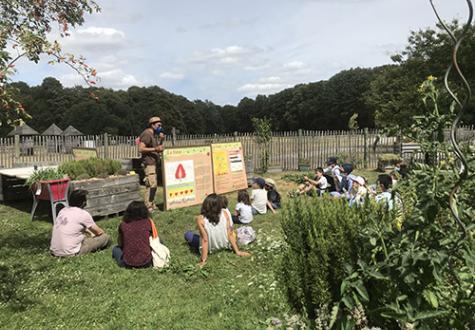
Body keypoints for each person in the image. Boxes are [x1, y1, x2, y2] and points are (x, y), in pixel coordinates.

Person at [184, 194, 251, 266]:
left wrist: (203, 260)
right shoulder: (225, 214)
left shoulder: (200, 219)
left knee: (188, 234)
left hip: (210, 248)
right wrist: (237, 251)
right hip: (224, 245)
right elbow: (230, 234)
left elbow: (205, 240)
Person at [50, 190, 111, 257]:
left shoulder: (62, 211)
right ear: (83, 203)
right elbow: (99, 232)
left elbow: (73, 226)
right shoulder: (83, 214)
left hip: (54, 251)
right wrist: (94, 234)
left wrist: (89, 232)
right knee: (105, 237)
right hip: (71, 253)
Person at [112, 201, 154, 268]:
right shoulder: (148, 222)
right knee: (159, 240)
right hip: (147, 262)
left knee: (115, 249)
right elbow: (153, 238)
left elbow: (120, 243)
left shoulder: (123, 225)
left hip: (127, 264)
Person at [138, 116, 165, 212]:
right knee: (151, 185)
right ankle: (148, 206)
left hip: (153, 163)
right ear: (152, 125)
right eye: (158, 125)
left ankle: (152, 204)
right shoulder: (147, 134)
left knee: (154, 185)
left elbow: (158, 148)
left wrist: (161, 140)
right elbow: (140, 149)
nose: (160, 127)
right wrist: (155, 149)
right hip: (148, 164)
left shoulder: (153, 135)